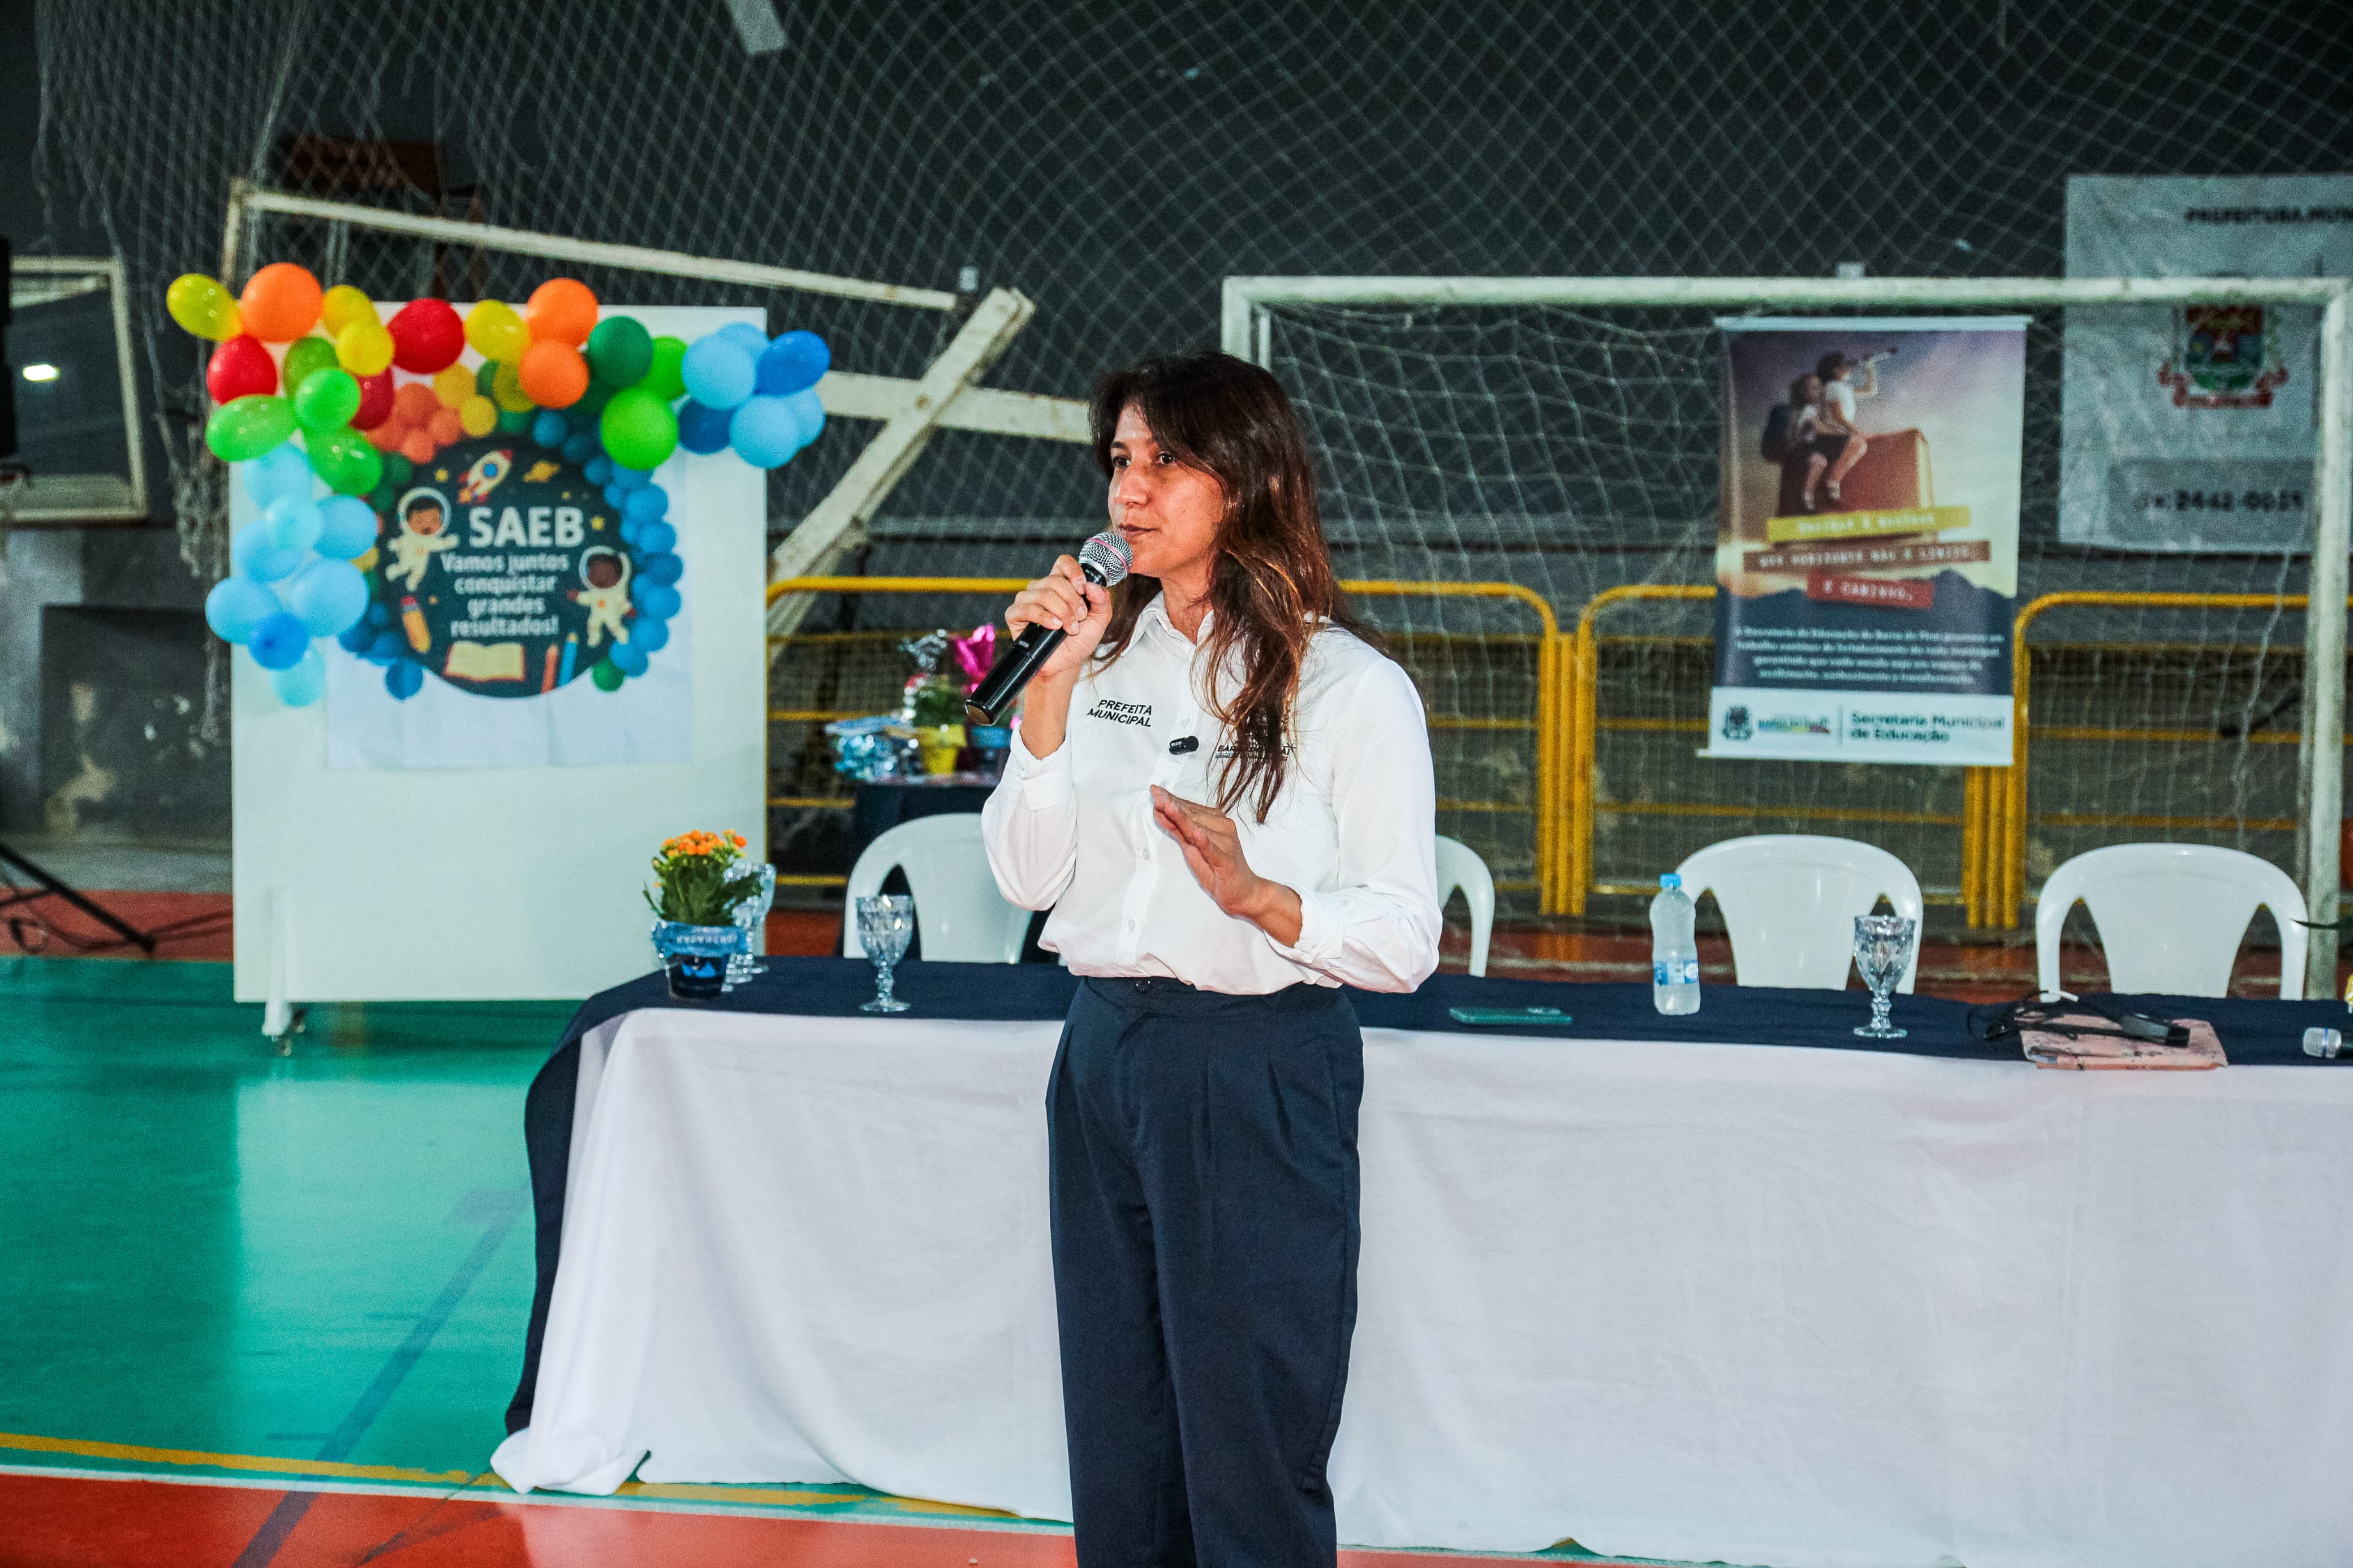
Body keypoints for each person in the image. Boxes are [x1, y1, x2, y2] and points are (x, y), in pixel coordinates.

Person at [981, 349, 1441, 1566]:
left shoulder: (1348, 687)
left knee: (1248, 1439)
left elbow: (1406, 937)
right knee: (1119, 1429)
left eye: (1167, 461)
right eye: (1120, 459)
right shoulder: (1094, 662)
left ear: (1247, 482)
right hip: (1102, 1057)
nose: (1129, 489)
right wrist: (1045, 699)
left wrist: (1263, 899)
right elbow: (1026, 879)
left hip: (1256, 1064)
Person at [1813, 351, 1877, 505]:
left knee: (1861, 441)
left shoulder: (1843, 388)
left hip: (1841, 433)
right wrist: (1859, 433)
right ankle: (1833, 481)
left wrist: (1870, 366)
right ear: (1836, 371)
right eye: (1845, 366)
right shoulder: (1833, 387)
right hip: (1830, 434)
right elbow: (1839, 418)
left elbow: (1870, 391)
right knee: (1859, 444)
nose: (1849, 369)